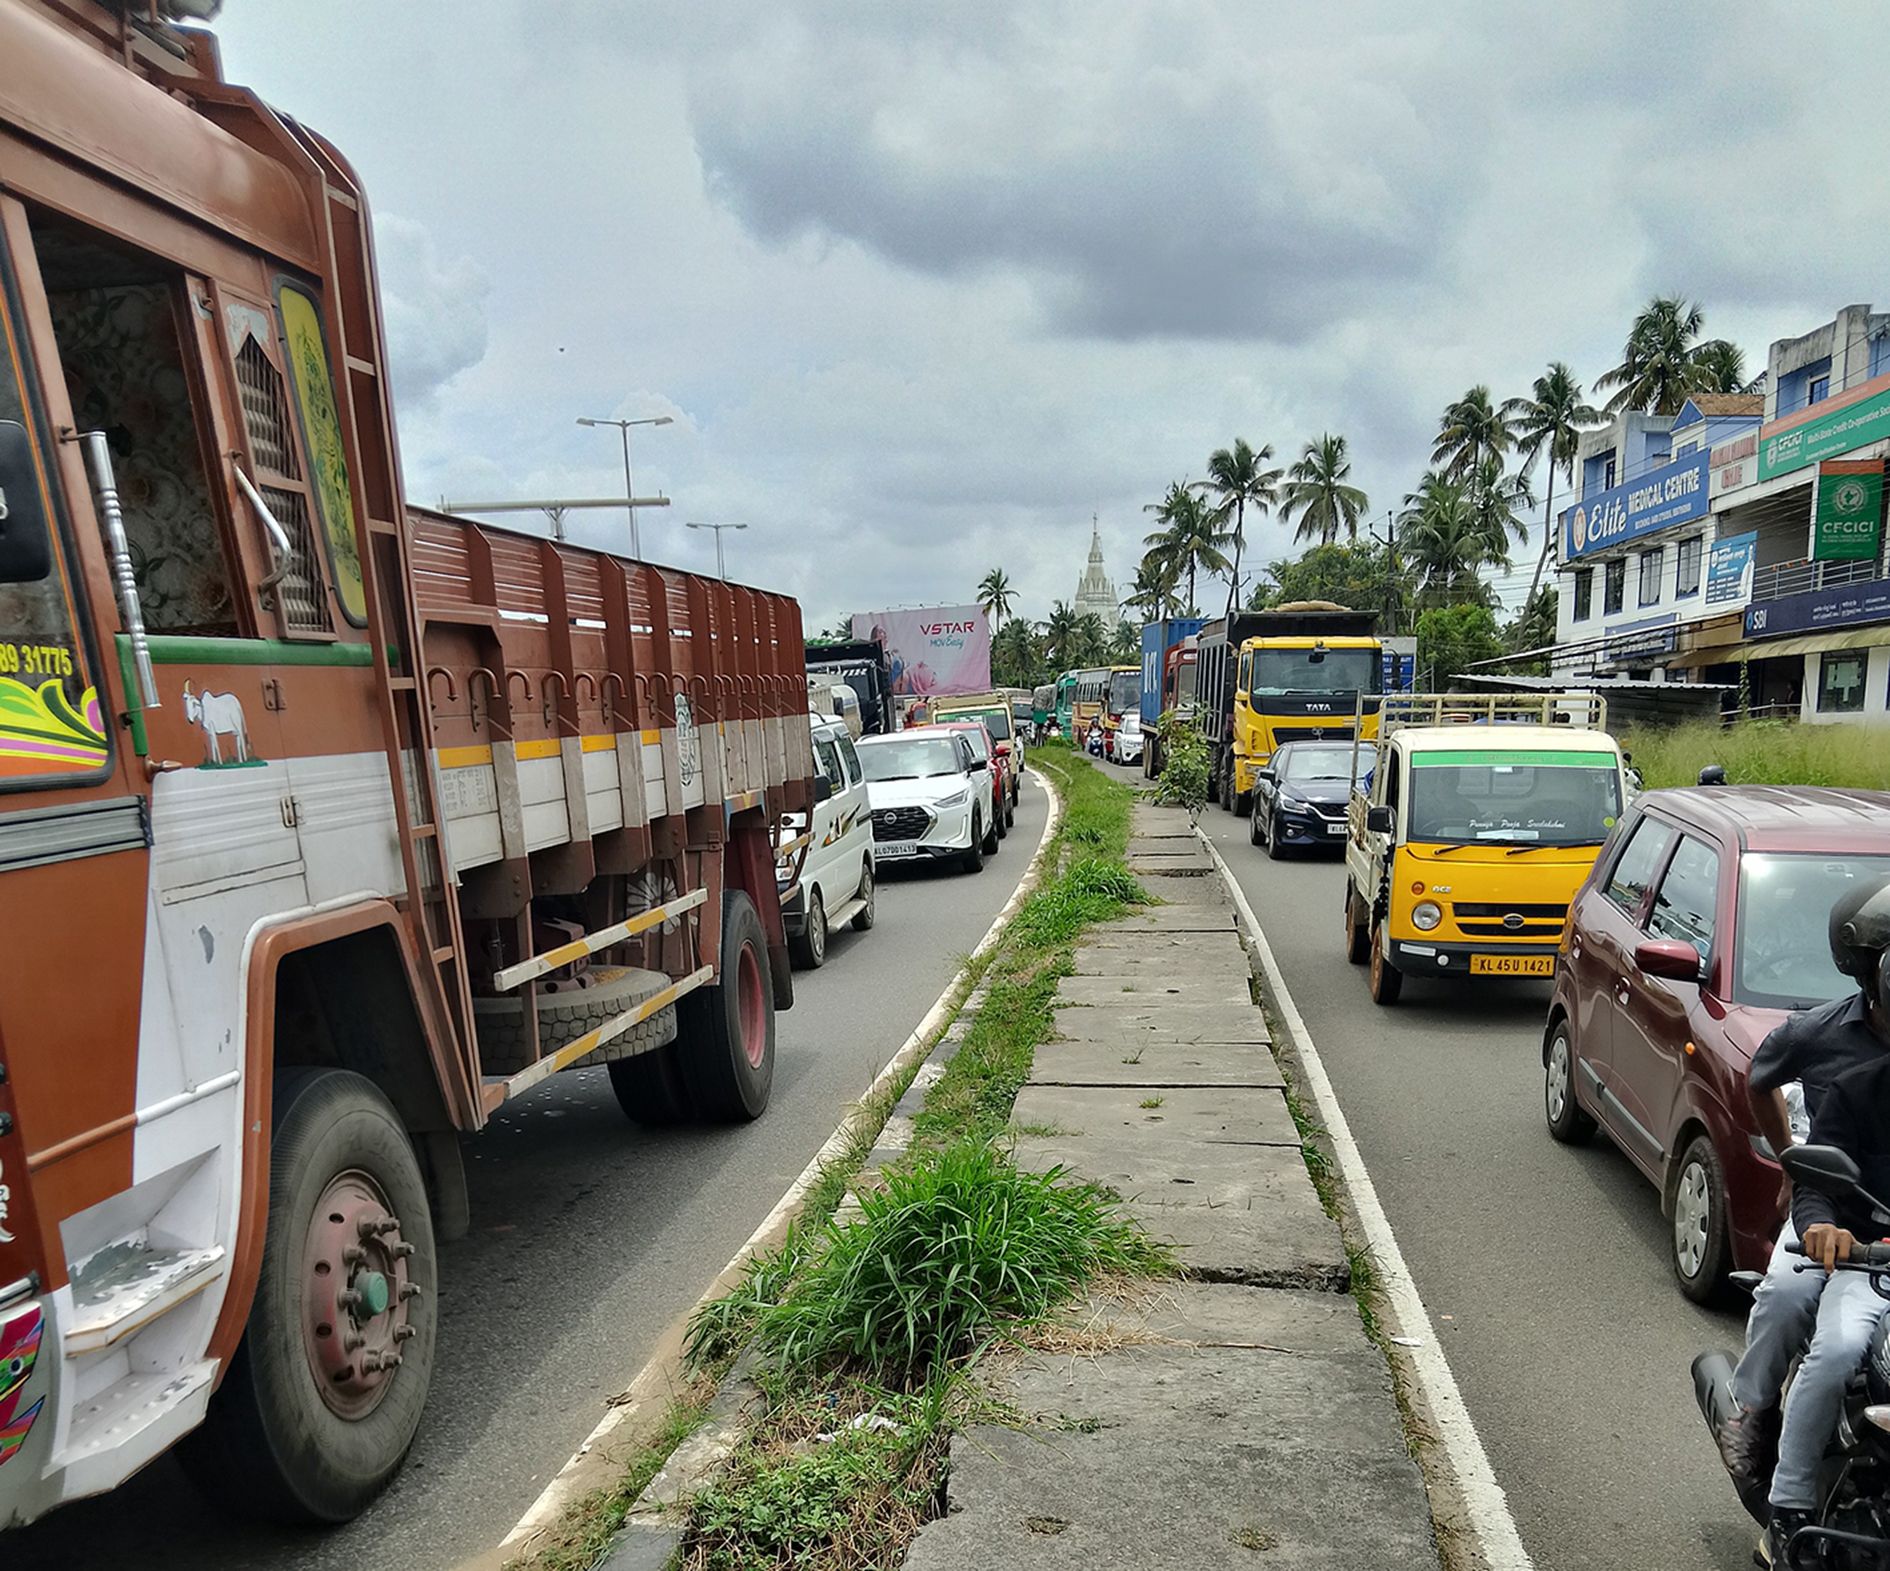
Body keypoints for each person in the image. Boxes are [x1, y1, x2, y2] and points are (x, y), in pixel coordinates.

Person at [1716, 877, 1890, 1503]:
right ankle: (1753, 1410)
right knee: (1787, 1296)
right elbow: (1759, 1080)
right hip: (1831, 1201)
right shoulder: (1817, 1033)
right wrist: (1792, 1161)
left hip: (1881, 1216)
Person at [1767, 1007, 1890, 1564]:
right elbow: (1814, 1183)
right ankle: (1788, 1508)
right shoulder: (1857, 1091)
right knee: (1838, 1349)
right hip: (1872, 1269)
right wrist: (1821, 1227)